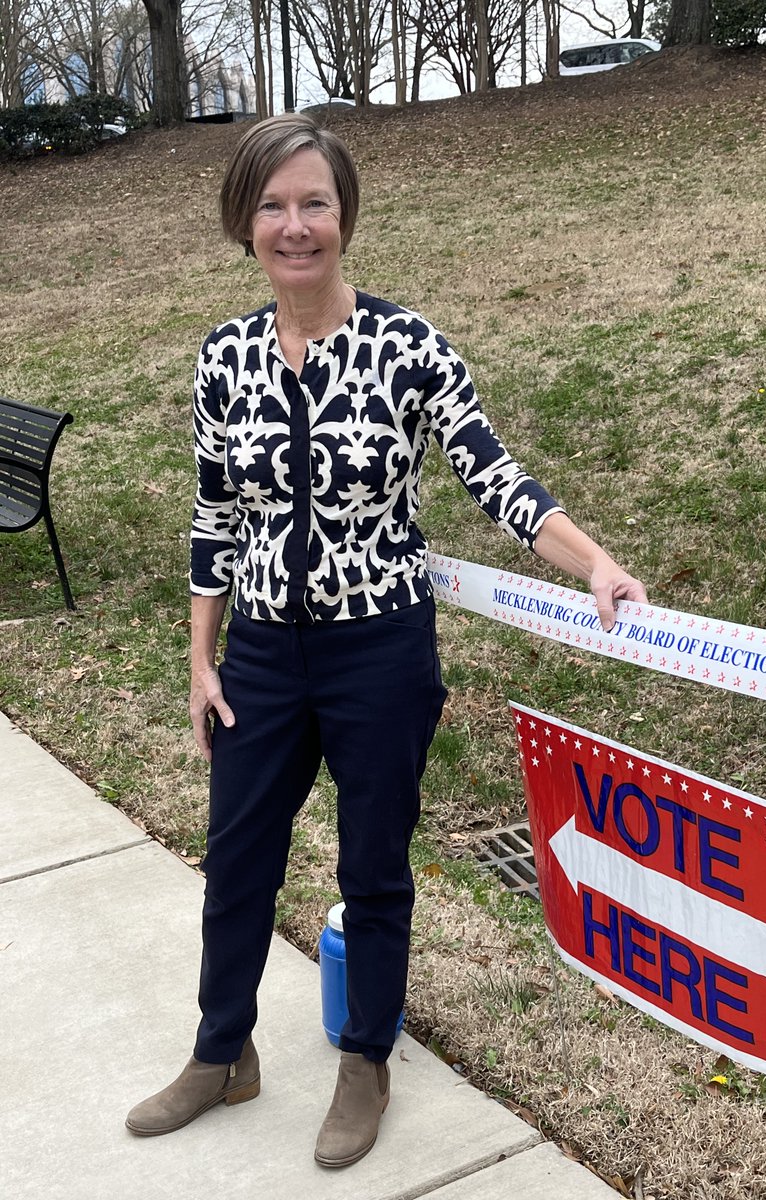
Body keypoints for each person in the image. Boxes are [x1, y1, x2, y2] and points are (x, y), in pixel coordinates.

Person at [125, 113, 647, 1165]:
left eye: (314, 201)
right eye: (273, 205)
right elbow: (213, 517)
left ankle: (365, 1059)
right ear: (246, 221)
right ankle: (223, 1052)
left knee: (374, 871)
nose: (295, 224)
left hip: (379, 655)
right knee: (235, 869)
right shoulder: (223, 359)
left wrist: (593, 560)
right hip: (264, 658)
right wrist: (200, 659)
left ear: (345, 215)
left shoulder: (407, 346)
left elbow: (494, 474)